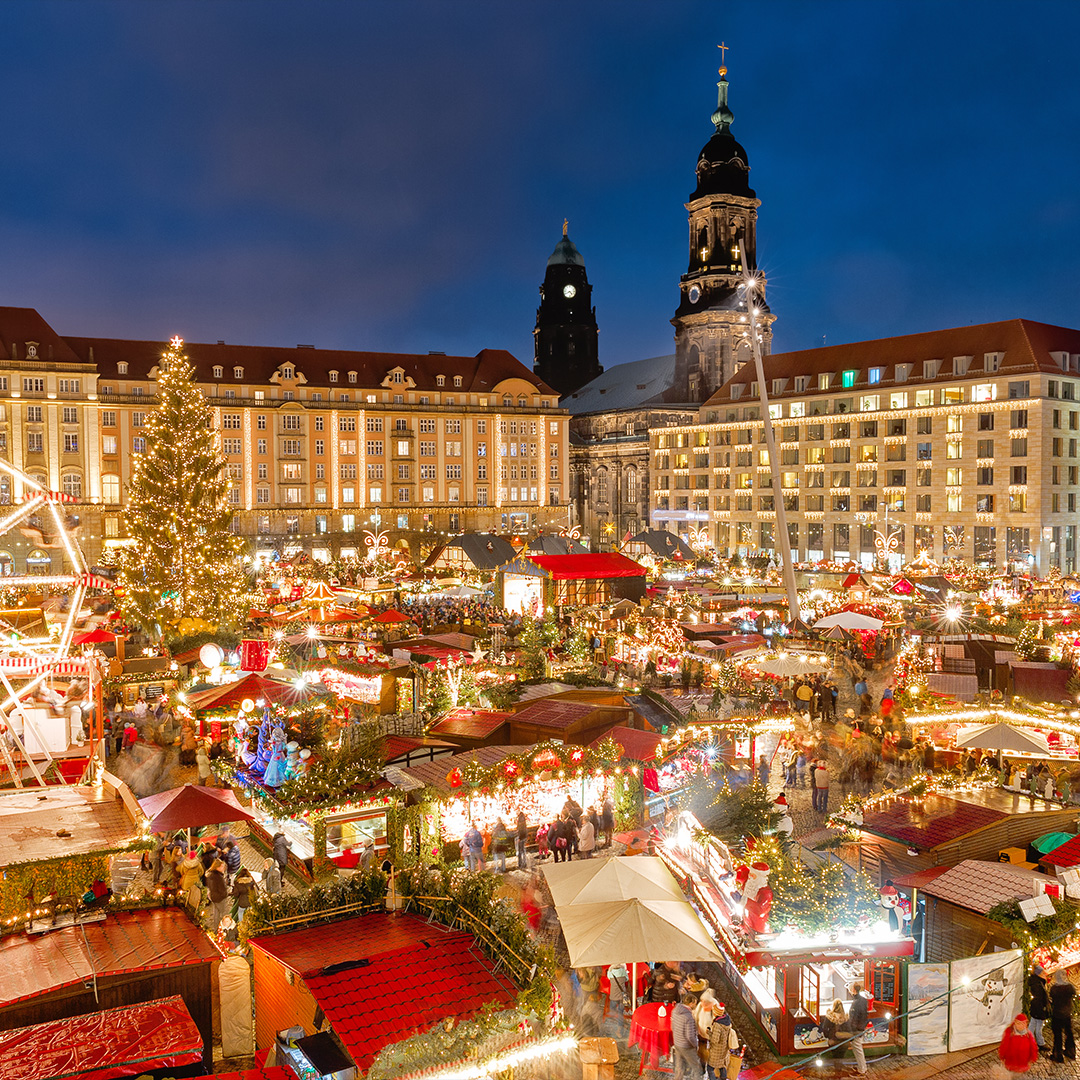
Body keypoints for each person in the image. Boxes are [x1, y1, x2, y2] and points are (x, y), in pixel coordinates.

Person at [706, 1002, 739, 1080]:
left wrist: (709, 1033)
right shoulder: (727, 1020)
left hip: (716, 1051)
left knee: (710, 1068)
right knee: (722, 1065)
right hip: (724, 1049)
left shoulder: (717, 1025)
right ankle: (723, 1078)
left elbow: (715, 1040)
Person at [671, 993, 700, 1080]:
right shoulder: (688, 1017)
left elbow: (673, 1027)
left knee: (679, 1066)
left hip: (677, 1043)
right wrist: (695, 1045)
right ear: (690, 1004)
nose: (695, 1005)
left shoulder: (675, 1011)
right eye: (695, 1003)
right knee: (696, 1068)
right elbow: (690, 1036)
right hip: (686, 1046)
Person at [1050, 970, 1076, 1061]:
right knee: (1069, 1032)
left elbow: (1051, 996)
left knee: (1058, 1035)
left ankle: (1058, 1054)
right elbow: (1074, 993)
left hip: (1057, 1013)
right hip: (1067, 1013)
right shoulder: (1069, 987)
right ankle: (1070, 1051)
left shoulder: (1054, 988)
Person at [848, 981, 869, 1076]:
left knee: (858, 1049)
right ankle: (862, 1067)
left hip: (856, 1030)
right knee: (858, 1049)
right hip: (861, 1028)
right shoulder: (863, 1000)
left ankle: (862, 1070)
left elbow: (854, 1019)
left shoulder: (855, 1003)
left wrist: (852, 1032)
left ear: (853, 990)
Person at [206, 858, 230, 934]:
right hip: (220, 898)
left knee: (216, 914)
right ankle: (223, 930)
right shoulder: (218, 877)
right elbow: (222, 890)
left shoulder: (210, 875)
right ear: (217, 867)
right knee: (223, 914)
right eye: (222, 867)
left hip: (214, 897)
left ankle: (216, 930)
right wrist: (226, 894)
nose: (224, 868)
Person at [1029, 964, 1049, 1051]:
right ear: (1038, 974)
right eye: (1042, 972)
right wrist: (1043, 1008)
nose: (1044, 973)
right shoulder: (1038, 985)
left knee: (1033, 1024)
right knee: (1038, 1026)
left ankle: (1031, 1042)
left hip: (1036, 1008)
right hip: (1039, 1008)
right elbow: (1041, 997)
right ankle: (1039, 1043)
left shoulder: (1036, 982)